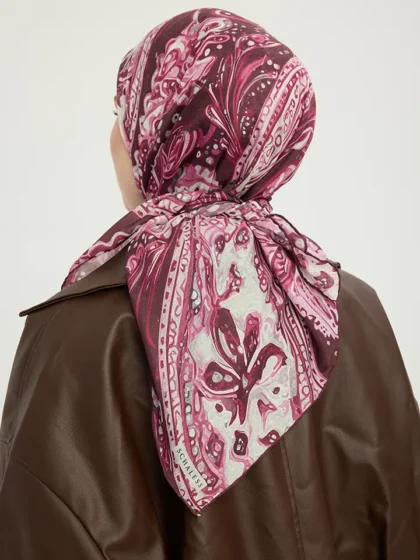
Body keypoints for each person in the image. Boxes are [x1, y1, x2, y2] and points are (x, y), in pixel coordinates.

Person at [0, 7, 419, 558]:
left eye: (123, 112)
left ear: (164, 131)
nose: (114, 137)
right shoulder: (354, 307)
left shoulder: (73, 335)